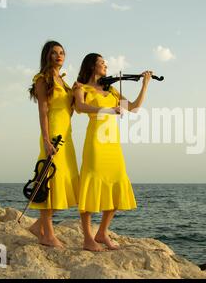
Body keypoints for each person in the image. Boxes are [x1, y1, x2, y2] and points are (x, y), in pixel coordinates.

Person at [73, 53, 153, 251]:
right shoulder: (81, 87)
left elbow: (133, 108)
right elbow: (81, 107)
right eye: (102, 63)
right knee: (91, 186)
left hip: (112, 144)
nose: (106, 66)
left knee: (118, 184)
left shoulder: (113, 91)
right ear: (92, 66)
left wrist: (145, 85)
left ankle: (101, 232)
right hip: (95, 144)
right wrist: (110, 111)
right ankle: (87, 238)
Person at [27, 41, 79, 248]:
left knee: (65, 182)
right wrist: (47, 140)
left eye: (62, 52)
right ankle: (47, 234)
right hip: (52, 135)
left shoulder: (64, 82)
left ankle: (37, 226)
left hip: (67, 136)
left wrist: (74, 96)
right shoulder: (43, 79)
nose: (58, 56)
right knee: (49, 182)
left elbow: (69, 111)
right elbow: (43, 111)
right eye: (54, 53)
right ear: (46, 56)